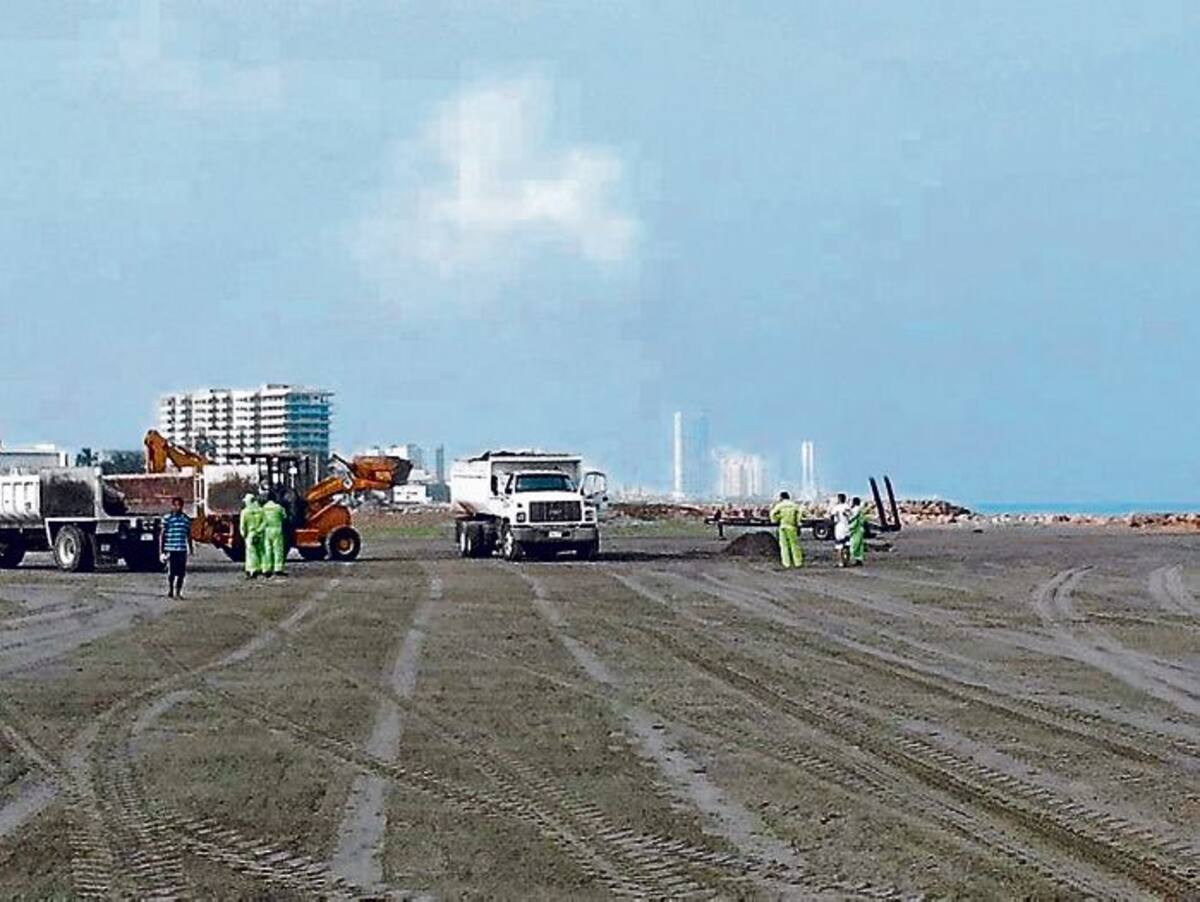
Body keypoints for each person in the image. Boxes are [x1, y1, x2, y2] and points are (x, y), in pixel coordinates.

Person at [159, 496, 194, 598]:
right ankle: (170, 590)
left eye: (180, 505)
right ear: (172, 506)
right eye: (176, 505)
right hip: (171, 549)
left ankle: (178, 592)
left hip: (181, 549)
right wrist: (161, 551)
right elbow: (162, 535)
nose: (178, 507)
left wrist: (191, 548)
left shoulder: (185, 519)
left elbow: (188, 535)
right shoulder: (167, 519)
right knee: (172, 572)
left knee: (181, 573)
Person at [768, 491, 804, 569]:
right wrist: (798, 523)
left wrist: (775, 519)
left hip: (783, 526)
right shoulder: (794, 505)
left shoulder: (780, 505)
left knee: (784, 545)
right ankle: (798, 562)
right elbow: (800, 514)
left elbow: (772, 513)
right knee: (794, 545)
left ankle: (786, 563)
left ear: (781, 497)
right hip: (792, 527)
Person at [238, 493, 266, 579]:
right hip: (260, 534)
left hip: (250, 534)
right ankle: (264, 569)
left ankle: (252, 570)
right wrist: (259, 531)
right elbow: (265, 522)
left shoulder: (245, 512)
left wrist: (244, 535)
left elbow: (243, 525)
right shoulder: (261, 511)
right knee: (262, 552)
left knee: (251, 554)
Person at [261, 495, 288, 578]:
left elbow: (261, 519)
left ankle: (267, 569)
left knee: (267, 550)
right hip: (277, 529)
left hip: (267, 530)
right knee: (278, 550)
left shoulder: (263, 508)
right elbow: (284, 516)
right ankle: (278, 569)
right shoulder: (278, 507)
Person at [830, 492, 852, 568]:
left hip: (839, 527)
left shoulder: (836, 507)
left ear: (839, 499)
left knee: (839, 546)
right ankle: (847, 561)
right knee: (847, 545)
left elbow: (832, 516)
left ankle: (840, 562)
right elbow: (850, 517)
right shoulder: (848, 507)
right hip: (847, 527)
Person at [849, 496, 867, 567]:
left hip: (856, 529)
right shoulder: (860, 509)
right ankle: (858, 560)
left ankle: (854, 559)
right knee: (859, 545)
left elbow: (852, 517)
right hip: (859, 528)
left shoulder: (856, 509)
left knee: (854, 545)